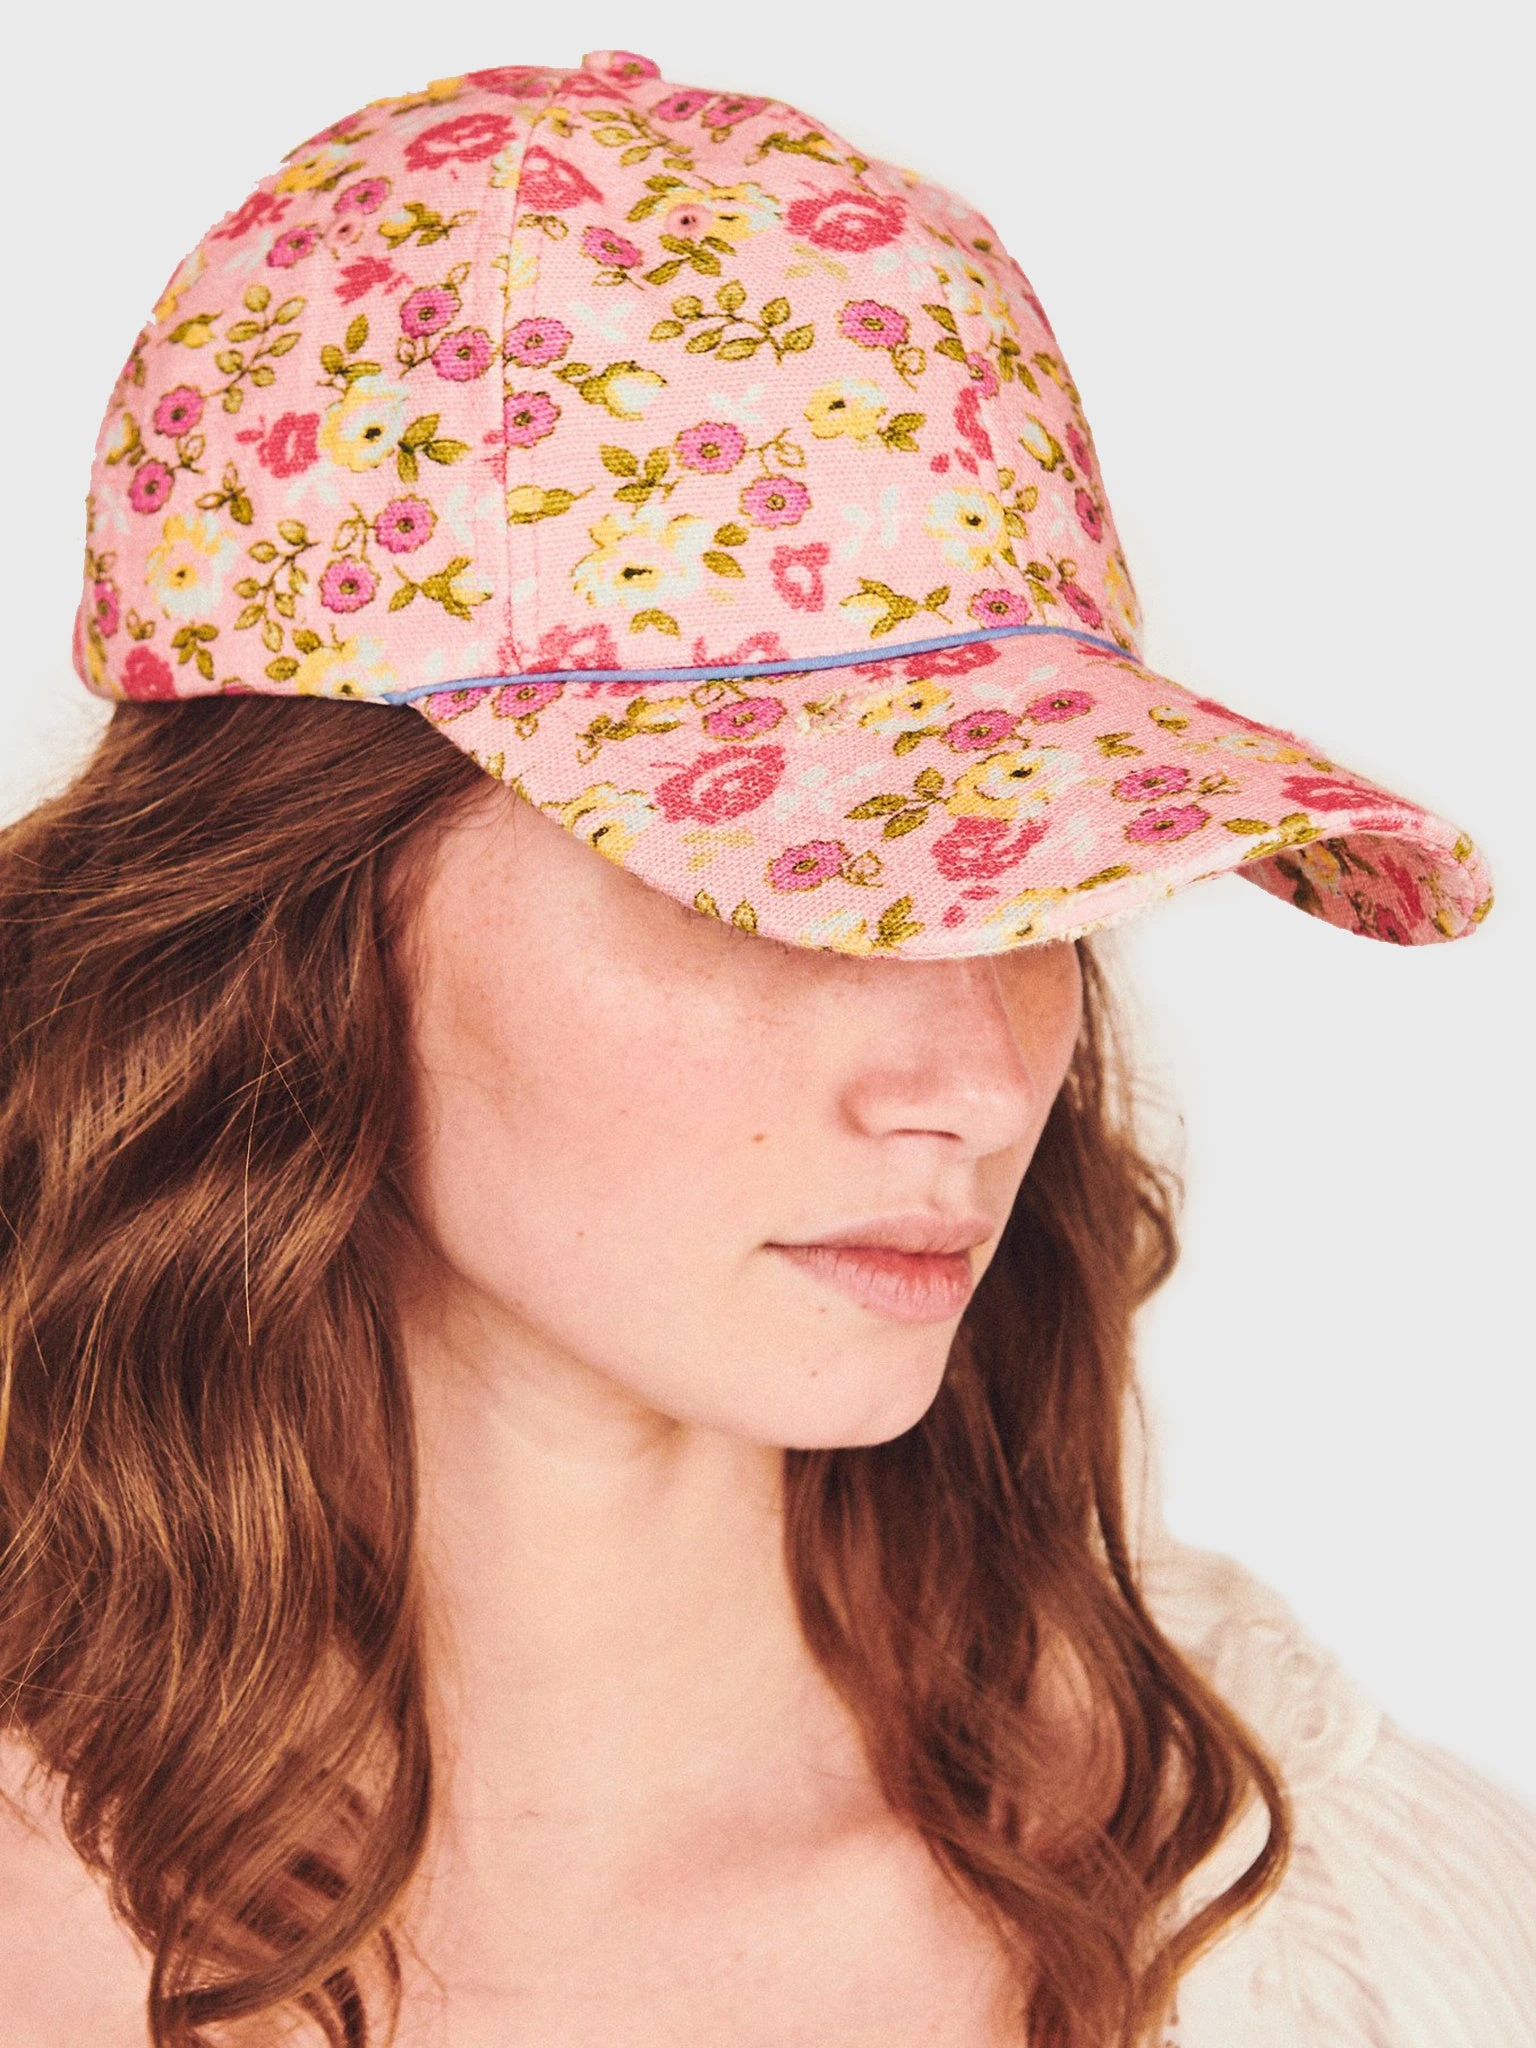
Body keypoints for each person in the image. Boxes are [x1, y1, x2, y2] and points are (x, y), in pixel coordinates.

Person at [1, 46, 1531, 2048]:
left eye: (1034, 886)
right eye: (775, 884)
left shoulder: (1301, 1922)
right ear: (297, 914)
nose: (976, 1082)